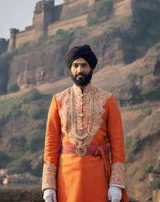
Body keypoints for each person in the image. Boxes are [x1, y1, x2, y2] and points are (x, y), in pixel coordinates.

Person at [42, 45, 128, 202]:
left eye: (84, 65)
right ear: (70, 69)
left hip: (98, 175)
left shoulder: (108, 100)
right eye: (75, 65)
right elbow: (51, 143)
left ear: (91, 68)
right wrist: (48, 185)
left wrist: (116, 183)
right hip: (66, 177)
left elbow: (118, 144)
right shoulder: (58, 100)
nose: (79, 69)